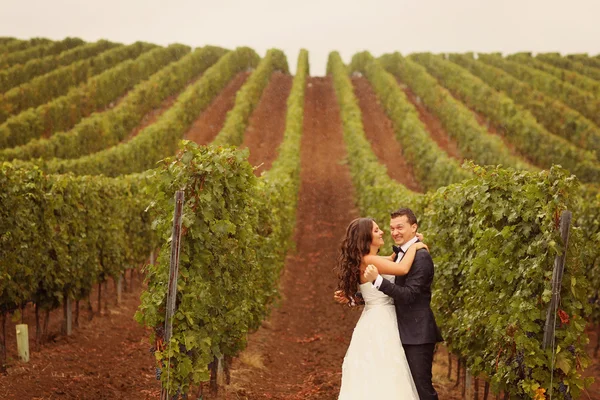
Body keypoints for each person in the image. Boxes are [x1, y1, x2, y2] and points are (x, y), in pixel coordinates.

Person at [335, 217, 427, 399]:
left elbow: (394, 258)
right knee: (388, 369)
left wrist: (411, 240)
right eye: (377, 230)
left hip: (371, 318)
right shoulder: (370, 260)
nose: (382, 232)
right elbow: (402, 268)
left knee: (375, 370)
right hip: (382, 319)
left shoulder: (369, 259)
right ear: (366, 238)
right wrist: (416, 246)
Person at [364, 208, 443, 400]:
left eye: (400, 227)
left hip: (417, 334)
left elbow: (409, 295)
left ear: (414, 227)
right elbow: (390, 292)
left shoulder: (421, 256)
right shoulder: (401, 253)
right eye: (392, 228)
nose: (395, 232)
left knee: (422, 389)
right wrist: (357, 298)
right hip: (399, 331)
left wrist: (377, 281)